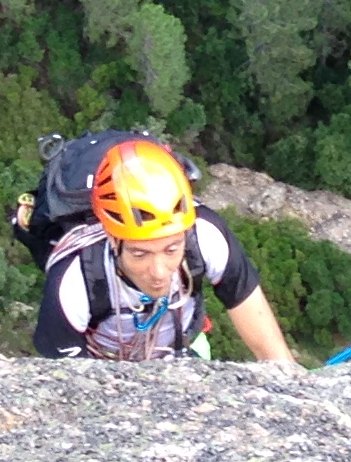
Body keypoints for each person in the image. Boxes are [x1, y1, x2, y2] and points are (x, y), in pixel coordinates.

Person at [33, 137, 297, 368]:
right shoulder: (76, 278)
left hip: (185, 350)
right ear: (114, 241)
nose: (159, 272)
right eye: (140, 254)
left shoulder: (205, 236)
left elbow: (273, 353)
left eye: (172, 249)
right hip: (103, 366)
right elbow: (69, 384)